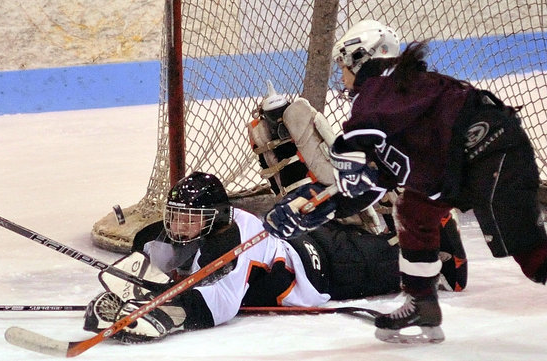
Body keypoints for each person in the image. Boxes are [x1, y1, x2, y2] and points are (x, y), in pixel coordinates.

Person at [327, 19, 547, 343]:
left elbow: (358, 134)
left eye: (343, 66)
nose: (342, 77)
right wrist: (330, 204)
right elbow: (382, 175)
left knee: (524, 246)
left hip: (492, 149)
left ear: (361, 57)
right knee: (415, 209)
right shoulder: (397, 93)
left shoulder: (381, 85)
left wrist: (342, 154)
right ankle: (421, 303)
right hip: (465, 164)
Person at [81, 171, 465, 343]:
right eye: (176, 216)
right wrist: (120, 296)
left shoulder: (234, 235)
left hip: (325, 271)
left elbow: (222, 302)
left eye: (191, 218)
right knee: (362, 238)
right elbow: (142, 269)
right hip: (303, 243)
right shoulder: (168, 234)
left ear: (214, 218)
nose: (180, 225)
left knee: (391, 259)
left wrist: (166, 315)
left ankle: (440, 232)